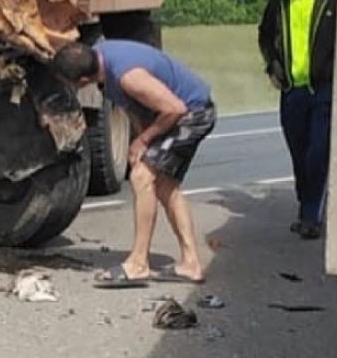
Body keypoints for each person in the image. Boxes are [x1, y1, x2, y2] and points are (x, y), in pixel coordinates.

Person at [52, 39, 216, 287]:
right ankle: (190, 264)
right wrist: (141, 140)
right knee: (164, 185)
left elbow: (174, 108)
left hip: (194, 113)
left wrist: (143, 141)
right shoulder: (102, 61)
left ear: (82, 81)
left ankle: (138, 264)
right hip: (178, 113)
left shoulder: (127, 76)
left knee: (141, 176)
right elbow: (134, 107)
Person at [257, 0, 337, 240]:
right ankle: (306, 205)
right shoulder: (280, 0)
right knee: (299, 153)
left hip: (324, 90)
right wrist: (272, 67)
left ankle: (312, 215)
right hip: (292, 91)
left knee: (318, 151)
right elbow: (265, 36)